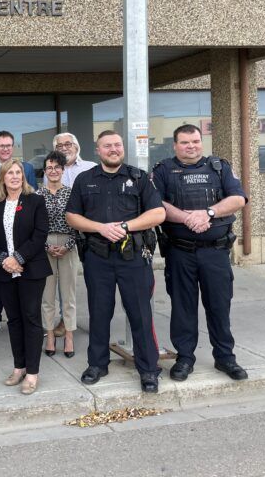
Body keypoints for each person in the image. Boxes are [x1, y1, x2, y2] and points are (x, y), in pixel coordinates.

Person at [65, 131, 166, 394]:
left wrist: (124, 226)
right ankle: (97, 365)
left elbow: (157, 213)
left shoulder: (139, 177)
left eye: (117, 145)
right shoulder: (84, 179)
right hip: (97, 258)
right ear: (97, 150)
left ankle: (148, 370)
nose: (113, 149)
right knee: (99, 313)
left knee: (141, 315)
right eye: (107, 146)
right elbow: (72, 217)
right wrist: (100, 228)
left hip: (133, 257)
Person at [152, 124, 249, 382]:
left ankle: (225, 358)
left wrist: (207, 213)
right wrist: (187, 218)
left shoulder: (219, 167)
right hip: (180, 252)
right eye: (185, 142)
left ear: (201, 142)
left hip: (215, 253)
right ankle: (185, 358)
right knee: (183, 307)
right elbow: (156, 204)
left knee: (219, 305)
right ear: (175, 145)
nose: (191, 146)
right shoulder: (163, 170)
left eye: (195, 141)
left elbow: (238, 199)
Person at [0, 159, 51, 396]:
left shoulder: (35, 200)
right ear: (2, 178)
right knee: (13, 320)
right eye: (9, 173)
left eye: (18, 172)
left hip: (31, 270)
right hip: (4, 271)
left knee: (31, 319)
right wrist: (4, 259)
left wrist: (19, 258)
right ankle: (19, 367)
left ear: (23, 176)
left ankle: (32, 373)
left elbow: (40, 234)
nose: (14, 176)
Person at [0, 130, 37, 337]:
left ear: (13, 147)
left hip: (21, 234)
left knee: (23, 280)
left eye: (8, 145)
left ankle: (25, 319)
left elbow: (32, 199)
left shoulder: (26, 168)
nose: (5, 149)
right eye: (1, 145)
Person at [36, 151, 79, 359]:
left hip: (68, 244)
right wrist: (45, 245)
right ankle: (50, 335)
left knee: (68, 294)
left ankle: (69, 336)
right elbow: (32, 226)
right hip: (44, 246)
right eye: (49, 167)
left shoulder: (72, 193)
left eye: (57, 167)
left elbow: (79, 224)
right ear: (45, 171)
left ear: (63, 170)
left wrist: (68, 244)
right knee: (47, 296)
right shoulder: (37, 195)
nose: (53, 171)